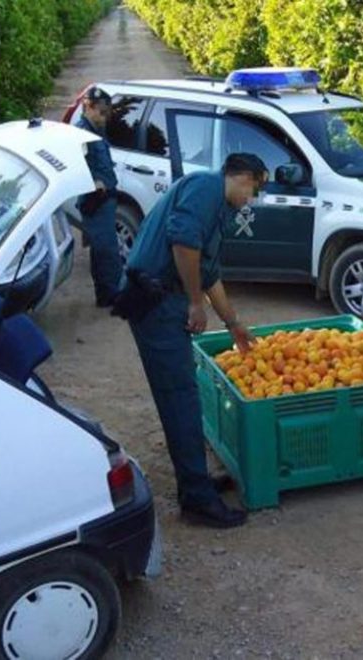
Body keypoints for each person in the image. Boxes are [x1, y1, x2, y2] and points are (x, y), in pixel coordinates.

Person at [114, 153, 268, 528]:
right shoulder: (205, 187)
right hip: (156, 302)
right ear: (242, 176)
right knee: (179, 396)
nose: (253, 198)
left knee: (184, 394)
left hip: (167, 299)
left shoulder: (218, 206)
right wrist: (196, 304)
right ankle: (197, 500)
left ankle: (195, 481)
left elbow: (208, 270)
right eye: (255, 189)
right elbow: (183, 244)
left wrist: (233, 323)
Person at [76, 86, 122, 307]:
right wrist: (93, 181)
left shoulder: (96, 129)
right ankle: (110, 296)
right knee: (106, 250)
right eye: (101, 112)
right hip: (95, 200)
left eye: (107, 112)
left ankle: (106, 295)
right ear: (88, 107)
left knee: (103, 250)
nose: (105, 117)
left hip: (105, 199)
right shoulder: (80, 134)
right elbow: (75, 165)